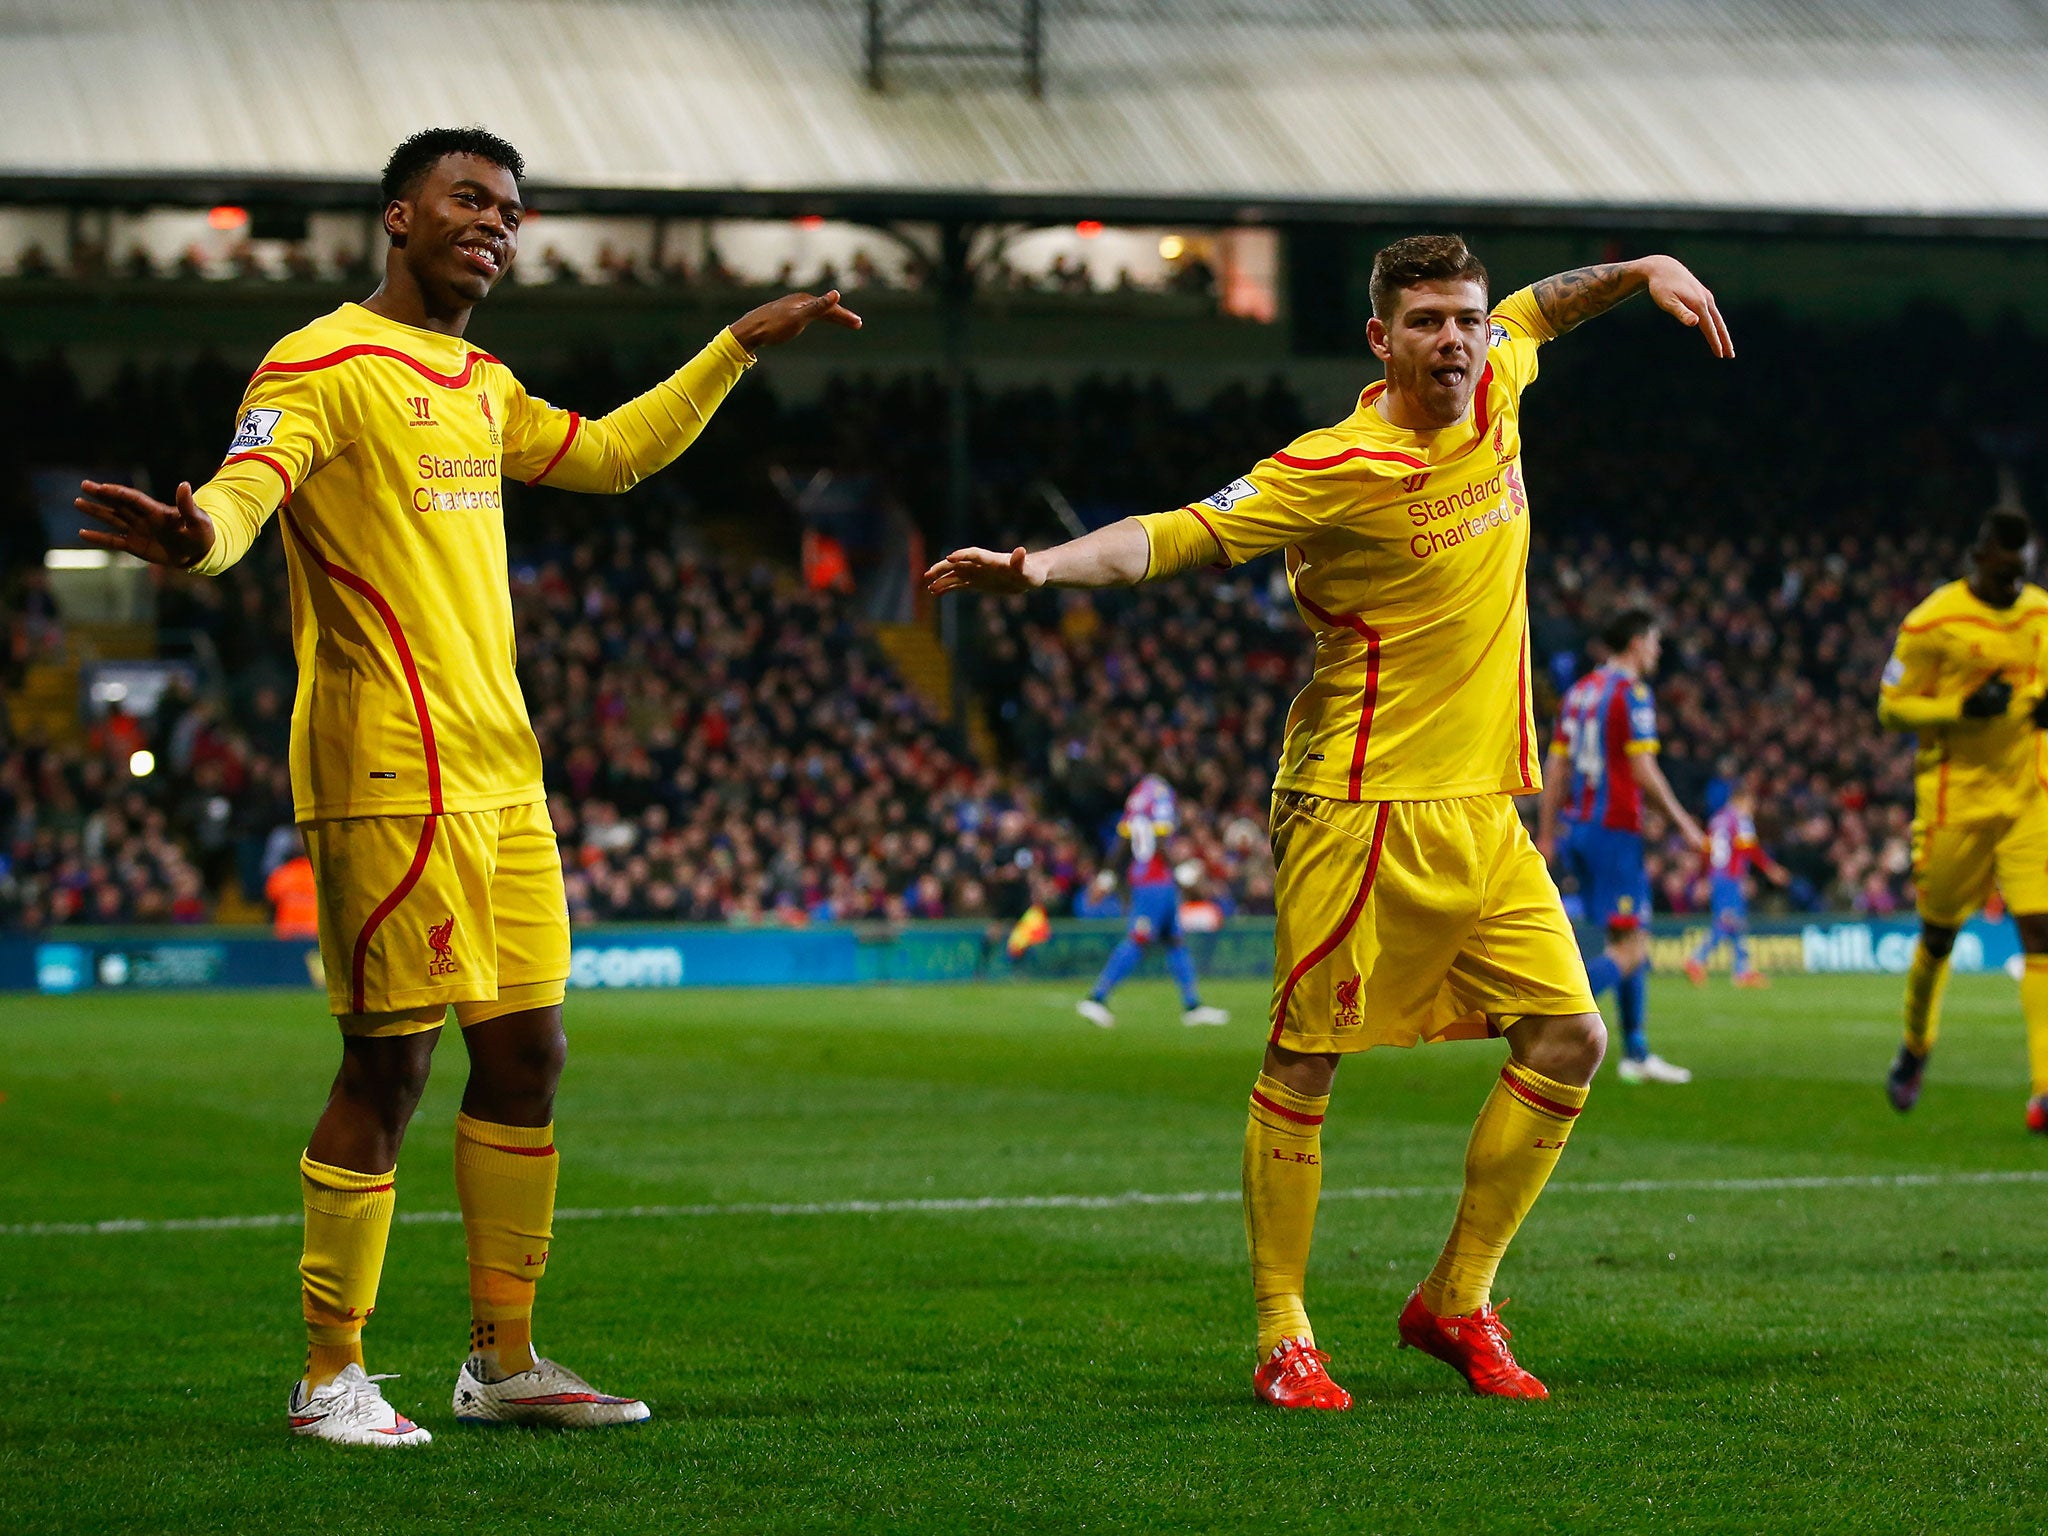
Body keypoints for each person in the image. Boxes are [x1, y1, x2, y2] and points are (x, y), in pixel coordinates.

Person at [75, 126, 860, 1448]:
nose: (495, 222)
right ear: (398, 217)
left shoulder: (480, 380)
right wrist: (199, 536)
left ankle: (502, 1361)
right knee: (386, 1068)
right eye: (469, 199)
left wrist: (735, 346)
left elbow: (610, 455)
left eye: (510, 208)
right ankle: (329, 1373)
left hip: (504, 776)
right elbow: (246, 489)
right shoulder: (318, 360)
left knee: (530, 1056)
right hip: (387, 765)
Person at [928, 234, 1731, 1406]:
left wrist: (1641, 267)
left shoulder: (1499, 371)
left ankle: (1454, 1301)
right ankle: (1281, 1334)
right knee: (1304, 1060)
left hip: (1479, 806)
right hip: (1354, 806)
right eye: (1426, 323)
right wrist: (1042, 569)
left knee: (1568, 1038)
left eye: (1461, 318)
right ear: (1380, 339)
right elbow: (1179, 531)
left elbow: (1539, 310)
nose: (1455, 338)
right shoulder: (1336, 463)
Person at [1876, 508, 2048, 1130]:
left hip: (2029, 794)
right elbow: (1890, 709)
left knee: (2041, 934)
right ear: (1979, 559)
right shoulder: (1932, 621)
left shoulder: (2039, 613)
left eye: (2022, 575)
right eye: (2004, 575)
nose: (2013, 588)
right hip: (1956, 802)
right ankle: (1915, 1047)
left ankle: (2044, 1090)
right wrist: (1961, 707)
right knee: (1939, 937)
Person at [1537, 612, 1706, 1084]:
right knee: (1634, 947)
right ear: (1635, 642)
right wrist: (1685, 824)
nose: (1657, 651)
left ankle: (1636, 1051)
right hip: (1614, 831)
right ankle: (1557, 1020)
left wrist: (1548, 833)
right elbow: (1643, 770)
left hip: (1580, 830)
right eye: (1653, 641)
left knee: (1624, 938)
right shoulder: (1630, 694)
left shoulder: (1579, 693)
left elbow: (1557, 768)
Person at [1075, 774, 1230, 1028]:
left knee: (1175, 940)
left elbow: (1122, 843)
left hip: (1149, 877)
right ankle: (1096, 998)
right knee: (1138, 938)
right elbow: (1159, 840)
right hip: (1155, 880)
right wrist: (1178, 870)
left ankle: (1193, 1005)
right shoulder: (1161, 794)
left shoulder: (1137, 796)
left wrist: (1107, 876)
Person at [1684, 781, 1789, 987]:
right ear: (1741, 800)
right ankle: (1697, 959)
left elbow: (1707, 851)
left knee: (1735, 924)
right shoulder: (1740, 819)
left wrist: (1704, 878)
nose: (1753, 808)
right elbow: (1748, 849)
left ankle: (1742, 971)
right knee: (1727, 923)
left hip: (1718, 877)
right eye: (1751, 802)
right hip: (1730, 878)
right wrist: (1771, 869)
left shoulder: (1717, 820)